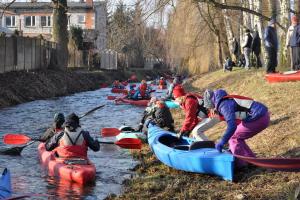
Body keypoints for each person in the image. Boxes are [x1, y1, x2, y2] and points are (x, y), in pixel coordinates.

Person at [203, 89, 269, 168]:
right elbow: (236, 121)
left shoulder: (223, 104)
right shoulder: (225, 100)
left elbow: (232, 126)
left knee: (233, 138)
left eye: (210, 107)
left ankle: (242, 164)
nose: (211, 109)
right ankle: (251, 161)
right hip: (262, 115)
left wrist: (222, 141)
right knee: (237, 136)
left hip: (258, 117)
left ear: (211, 101)